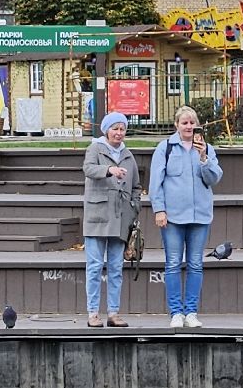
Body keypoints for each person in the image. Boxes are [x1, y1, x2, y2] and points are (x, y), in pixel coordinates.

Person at [149, 105, 223, 329]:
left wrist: (204, 158)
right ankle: (176, 313)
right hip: (172, 217)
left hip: (200, 216)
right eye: (184, 123)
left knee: (195, 264)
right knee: (173, 264)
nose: (189, 127)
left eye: (192, 123)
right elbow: (155, 182)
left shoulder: (207, 149)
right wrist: (159, 209)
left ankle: (191, 311)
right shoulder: (165, 148)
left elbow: (214, 179)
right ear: (177, 125)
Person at [82, 111, 138, 327]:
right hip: (97, 216)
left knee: (116, 267)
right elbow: (88, 169)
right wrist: (109, 170)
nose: (119, 133)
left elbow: (136, 186)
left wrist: (134, 206)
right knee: (95, 266)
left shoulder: (128, 155)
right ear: (106, 130)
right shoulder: (95, 148)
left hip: (120, 217)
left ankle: (113, 313)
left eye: (122, 129)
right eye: (115, 128)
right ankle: (93, 313)